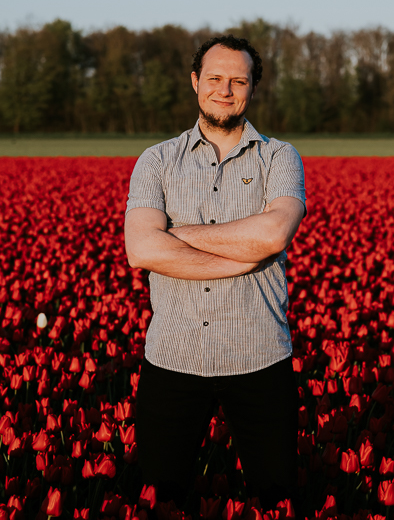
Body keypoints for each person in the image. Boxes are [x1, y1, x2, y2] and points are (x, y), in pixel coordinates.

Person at [123, 35, 306, 512]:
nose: (225, 90)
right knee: (162, 498)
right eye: (215, 79)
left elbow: (273, 236)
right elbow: (141, 248)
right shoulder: (156, 160)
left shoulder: (279, 157)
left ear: (253, 89)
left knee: (277, 496)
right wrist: (240, 252)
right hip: (173, 358)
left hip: (260, 356)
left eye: (238, 80)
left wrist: (176, 234)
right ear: (195, 82)